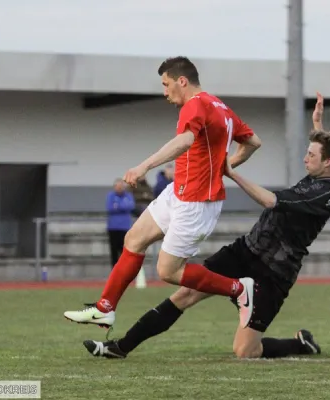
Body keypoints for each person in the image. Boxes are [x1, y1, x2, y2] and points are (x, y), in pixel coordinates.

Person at [82, 92, 330, 360]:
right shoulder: (322, 168)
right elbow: (325, 150)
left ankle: (301, 345)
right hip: (246, 250)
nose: (305, 158)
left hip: (276, 271)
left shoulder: (328, 191)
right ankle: (120, 347)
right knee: (184, 294)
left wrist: (232, 174)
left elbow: (269, 200)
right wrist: (317, 126)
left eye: (311, 155)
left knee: (245, 351)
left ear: (327, 163)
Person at [64, 56, 262, 330]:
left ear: (182, 81)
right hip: (178, 192)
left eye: (166, 84)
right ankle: (104, 308)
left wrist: (144, 166)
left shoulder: (196, 104)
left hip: (197, 203)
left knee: (167, 271)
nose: (164, 91)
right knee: (133, 239)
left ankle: (239, 289)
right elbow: (253, 141)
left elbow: (185, 140)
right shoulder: (220, 106)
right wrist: (226, 166)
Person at [105, 179, 135, 268]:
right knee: (114, 252)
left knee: (124, 252)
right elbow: (110, 208)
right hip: (113, 228)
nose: (120, 188)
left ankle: (124, 271)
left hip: (125, 227)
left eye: (121, 186)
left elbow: (131, 206)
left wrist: (118, 206)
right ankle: (114, 271)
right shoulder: (110, 196)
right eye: (118, 186)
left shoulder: (128, 196)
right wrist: (123, 206)